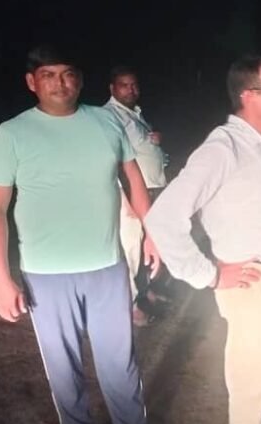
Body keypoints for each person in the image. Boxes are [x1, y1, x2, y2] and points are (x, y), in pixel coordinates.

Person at [0, 44, 159, 424]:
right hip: (46, 276)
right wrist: (1, 280)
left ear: (79, 79)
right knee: (64, 373)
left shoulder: (106, 122)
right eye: (48, 75)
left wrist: (153, 233)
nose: (59, 83)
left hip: (107, 268)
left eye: (67, 74)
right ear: (32, 82)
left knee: (121, 367)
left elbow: (132, 179)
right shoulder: (11, 134)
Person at [144, 55, 261, 424]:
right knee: (253, 390)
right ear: (249, 95)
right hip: (252, 282)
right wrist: (209, 275)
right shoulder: (223, 148)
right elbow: (163, 217)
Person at [104, 66, 168, 326]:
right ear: (112, 88)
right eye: (124, 85)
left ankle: (144, 291)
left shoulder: (136, 114)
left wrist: (157, 143)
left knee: (146, 246)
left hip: (150, 188)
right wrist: (126, 197)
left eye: (134, 85)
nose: (131, 90)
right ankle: (129, 306)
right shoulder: (109, 116)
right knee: (130, 245)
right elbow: (115, 159)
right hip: (129, 192)